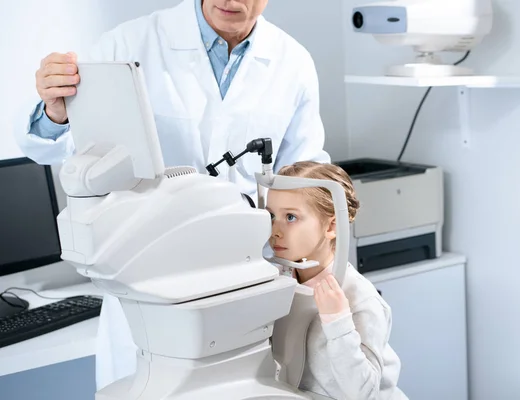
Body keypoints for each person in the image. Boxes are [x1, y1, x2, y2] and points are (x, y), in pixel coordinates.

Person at [15, 0, 330, 391]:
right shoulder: (127, 45)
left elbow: (302, 177)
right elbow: (53, 148)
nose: (232, 2)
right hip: (146, 276)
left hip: (248, 279)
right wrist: (55, 113)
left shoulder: (293, 62)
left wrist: (316, 265)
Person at [266, 161, 409, 400]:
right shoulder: (283, 280)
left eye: (290, 217)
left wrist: (338, 322)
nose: (275, 230)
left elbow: (364, 394)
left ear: (332, 225)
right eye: (272, 216)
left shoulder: (360, 299)